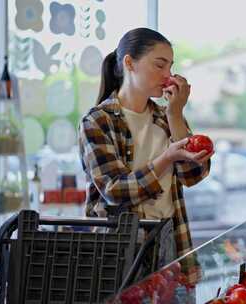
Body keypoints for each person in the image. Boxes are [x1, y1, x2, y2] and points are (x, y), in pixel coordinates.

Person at [78, 28, 212, 281]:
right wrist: (166, 158)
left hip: (170, 240)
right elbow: (115, 191)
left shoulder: (165, 117)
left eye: (170, 67)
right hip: (119, 250)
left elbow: (194, 175)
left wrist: (175, 114)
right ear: (129, 63)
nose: (168, 76)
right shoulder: (98, 121)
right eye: (159, 65)